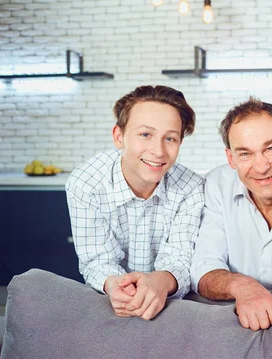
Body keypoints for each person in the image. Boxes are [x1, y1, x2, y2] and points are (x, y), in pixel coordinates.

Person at [66, 85, 204, 320]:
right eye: (145, 134)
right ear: (119, 136)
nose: (158, 151)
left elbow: (180, 257)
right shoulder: (85, 184)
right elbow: (98, 260)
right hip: (109, 301)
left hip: (171, 303)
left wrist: (161, 281)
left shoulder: (191, 187)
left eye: (170, 138)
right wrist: (116, 286)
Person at [190, 97, 272, 331]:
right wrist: (244, 288)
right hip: (234, 315)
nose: (261, 167)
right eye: (245, 154)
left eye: (270, 148)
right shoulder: (216, 185)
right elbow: (204, 267)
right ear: (231, 158)